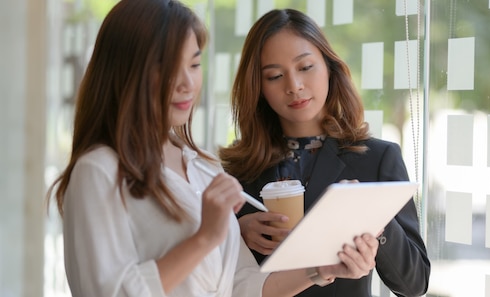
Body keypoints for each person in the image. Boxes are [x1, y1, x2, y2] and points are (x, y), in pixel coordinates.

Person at [45, 1, 379, 296]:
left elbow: (243, 286)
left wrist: (323, 268)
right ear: (124, 73)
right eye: (165, 67)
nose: (186, 82)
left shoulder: (202, 166)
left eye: (193, 64)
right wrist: (205, 237)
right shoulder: (99, 171)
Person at [219, 8, 431, 297]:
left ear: (329, 67)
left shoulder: (377, 158)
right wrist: (236, 234)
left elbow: (414, 284)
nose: (294, 86)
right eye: (275, 76)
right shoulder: (237, 171)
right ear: (258, 88)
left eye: (305, 67)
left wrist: (374, 218)